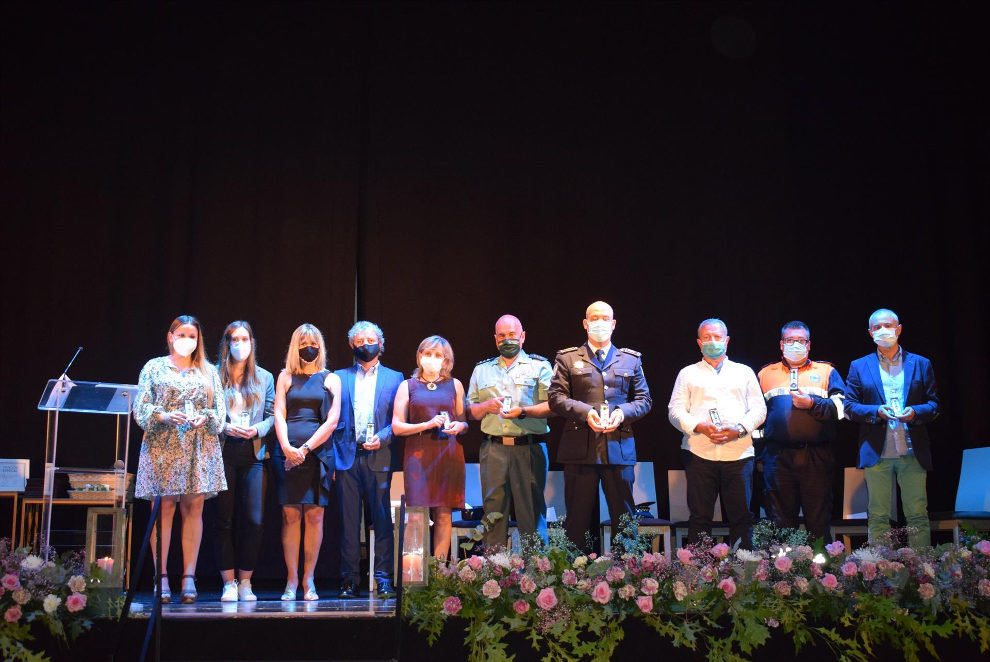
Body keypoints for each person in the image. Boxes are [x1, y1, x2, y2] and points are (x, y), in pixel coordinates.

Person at [134, 315, 226, 604]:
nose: (188, 340)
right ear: (170, 336)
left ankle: (188, 577)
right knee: (163, 510)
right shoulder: (154, 367)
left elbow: (220, 414)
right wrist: (162, 414)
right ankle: (160, 577)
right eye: (182, 334)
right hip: (162, 447)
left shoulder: (208, 371)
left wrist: (205, 417)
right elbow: (141, 408)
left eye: (193, 336)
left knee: (193, 509)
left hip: (199, 447)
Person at [548, 301, 652, 551]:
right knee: (577, 520)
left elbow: (644, 400)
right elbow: (556, 398)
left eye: (605, 318)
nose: (600, 323)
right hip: (580, 449)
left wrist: (620, 413)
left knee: (624, 519)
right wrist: (587, 413)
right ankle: (575, 580)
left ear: (613, 324)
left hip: (618, 446)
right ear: (585, 323)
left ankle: (626, 577)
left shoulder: (630, 359)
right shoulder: (568, 357)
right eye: (594, 318)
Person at [844, 308, 939, 548]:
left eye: (888, 325)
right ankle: (879, 573)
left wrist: (916, 412)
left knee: (917, 514)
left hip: (911, 449)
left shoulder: (921, 363)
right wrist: (875, 411)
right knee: (877, 516)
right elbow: (850, 406)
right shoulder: (859, 365)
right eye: (877, 327)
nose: (883, 330)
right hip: (878, 451)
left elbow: (934, 404)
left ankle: (922, 572)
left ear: (899, 329)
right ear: (870, 333)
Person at [668, 318, 766, 549]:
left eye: (717, 337)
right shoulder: (687, 373)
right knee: (700, 518)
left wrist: (740, 429)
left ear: (727, 340)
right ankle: (699, 576)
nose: (712, 341)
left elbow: (760, 409)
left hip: (739, 454)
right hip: (699, 453)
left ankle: (745, 573)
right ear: (699, 343)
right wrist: (699, 426)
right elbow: (674, 411)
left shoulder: (744, 372)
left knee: (741, 517)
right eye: (707, 337)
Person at [467, 315, 554, 548]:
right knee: (493, 513)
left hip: (528, 447)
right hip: (493, 449)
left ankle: (537, 575)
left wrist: (522, 411)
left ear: (522, 337)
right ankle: (494, 576)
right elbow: (470, 411)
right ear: (495, 339)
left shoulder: (540, 366)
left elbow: (554, 406)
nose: (507, 339)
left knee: (532, 513)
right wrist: (486, 406)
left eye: (512, 335)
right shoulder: (481, 370)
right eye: (502, 336)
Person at [332, 321, 404, 599]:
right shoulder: (339, 377)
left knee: (383, 521)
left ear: (381, 344)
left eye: (370, 340)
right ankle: (349, 580)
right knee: (349, 523)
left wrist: (383, 438)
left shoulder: (396, 378)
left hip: (380, 456)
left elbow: (398, 420)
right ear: (352, 346)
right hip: (347, 458)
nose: (365, 344)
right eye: (359, 341)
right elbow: (333, 420)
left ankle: (384, 578)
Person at [757, 321, 845, 541]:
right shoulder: (765, 374)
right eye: (789, 341)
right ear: (781, 344)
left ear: (809, 345)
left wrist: (813, 404)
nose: (795, 345)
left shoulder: (826, 371)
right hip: (777, 458)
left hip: (816, 456)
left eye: (800, 341)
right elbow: (756, 418)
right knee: (780, 522)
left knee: (818, 520)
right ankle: (784, 572)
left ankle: (823, 573)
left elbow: (844, 409)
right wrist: (760, 455)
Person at [272, 323, 342, 601]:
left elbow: (333, 420)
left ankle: (308, 580)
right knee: (290, 516)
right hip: (287, 453)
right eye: (302, 343)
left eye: (312, 343)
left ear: (320, 346)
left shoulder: (330, 379)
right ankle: (291, 581)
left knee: (314, 516)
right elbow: (279, 412)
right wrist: (288, 447)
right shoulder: (286, 376)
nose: (308, 348)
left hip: (318, 455)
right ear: (294, 346)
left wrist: (306, 448)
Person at [214, 321, 275, 602]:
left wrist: (257, 430)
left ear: (252, 343)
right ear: (227, 344)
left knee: (254, 520)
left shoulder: (264, 377)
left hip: (254, 453)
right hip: (223, 451)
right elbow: (207, 410)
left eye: (245, 338)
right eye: (235, 339)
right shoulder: (214, 375)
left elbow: (274, 415)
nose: (241, 344)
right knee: (224, 520)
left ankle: (246, 582)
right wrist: (224, 427)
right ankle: (228, 582)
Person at [392, 335, 469, 559]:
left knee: (444, 515)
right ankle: (416, 576)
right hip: (418, 455)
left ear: (446, 360)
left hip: (448, 455)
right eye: (428, 354)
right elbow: (396, 426)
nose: (432, 359)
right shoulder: (407, 386)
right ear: (420, 356)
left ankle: (439, 576)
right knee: (416, 515)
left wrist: (459, 425)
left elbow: (464, 423)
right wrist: (426, 424)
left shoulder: (455, 385)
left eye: (438, 355)